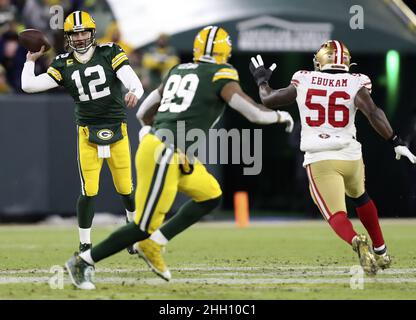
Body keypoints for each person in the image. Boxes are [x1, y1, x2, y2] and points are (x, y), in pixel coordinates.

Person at [64, 25, 294, 290]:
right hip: (165, 151)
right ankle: (83, 261)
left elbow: (144, 112)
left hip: (170, 150)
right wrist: (281, 116)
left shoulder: (178, 69)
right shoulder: (222, 73)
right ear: (225, 52)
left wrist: (152, 134)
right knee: (142, 227)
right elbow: (254, 114)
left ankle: (155, 244)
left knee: (210, 196)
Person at [248, 40, 416, 275]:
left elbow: (268, 99)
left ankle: (357, 241)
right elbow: (373, 112)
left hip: (320, 157)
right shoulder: (356, 81)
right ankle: (381, 250)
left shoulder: (303, 78)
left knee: (336, 214)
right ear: (346, 61)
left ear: (319, 61)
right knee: (361, 197)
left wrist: (261, 80)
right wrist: (395, 141)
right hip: (351, 155)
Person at [21, 11, 144, 253]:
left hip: (116, 128)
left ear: (92, 32)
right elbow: (28, 85)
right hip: (87, 133)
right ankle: (85, 243)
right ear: (68, 36)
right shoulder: (63, 62)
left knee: (126, 189)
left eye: (83, 32)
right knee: (89, 191)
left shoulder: (110, 52)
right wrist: (30, 60)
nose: (79, 38)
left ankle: (133, 230)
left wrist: (135, 92)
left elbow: (134, 82)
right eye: (74, 33)